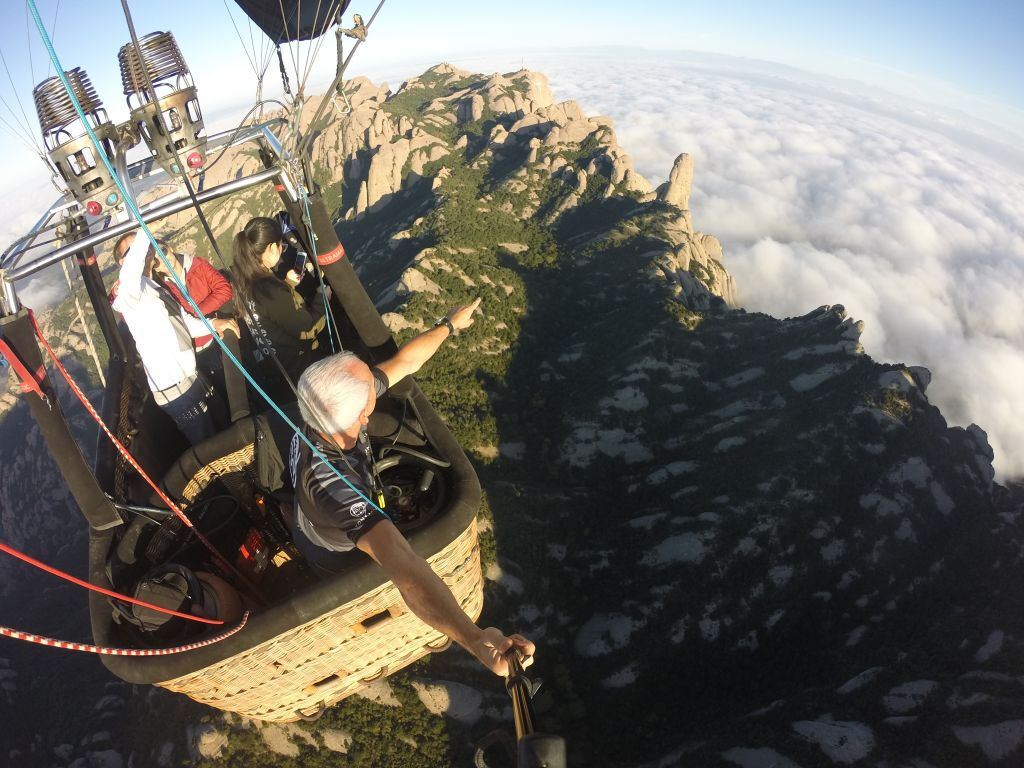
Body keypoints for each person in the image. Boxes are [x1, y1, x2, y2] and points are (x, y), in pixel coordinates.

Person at [289, 298, 533, 675]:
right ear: (362, 413)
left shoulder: (324, 412)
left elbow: (404, 363)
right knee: (392, 559)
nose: (377, 380)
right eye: (372, 387)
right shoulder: (332, 483)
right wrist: (473, 639)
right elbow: (404, 568)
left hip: (332, 508)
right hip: (333, 549)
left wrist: (448, 325)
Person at [111, 232, 237, 445]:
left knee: (222, 416)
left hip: (190, 374)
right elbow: (131, 271)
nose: (146, 249)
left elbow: (184, 321)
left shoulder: (153, 286)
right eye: (134, 251)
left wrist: (213, 324)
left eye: (148, 244)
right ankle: (228, 479)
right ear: (124, 262)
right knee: (209, 442)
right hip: (175, 388)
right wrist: (144, 228)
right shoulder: (129, 294)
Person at [231, 216, 326, 386]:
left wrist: (288, 284)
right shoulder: (269, 289)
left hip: (278, 367)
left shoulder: (244, 283)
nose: (282, 249)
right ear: (271, 247)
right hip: (302, 368)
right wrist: (322, 297)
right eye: (280, 245)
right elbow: (309, 328)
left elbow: (268, 311)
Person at [151, 244, 233, 386]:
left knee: (229, 381)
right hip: (191, 352)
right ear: (155, 268)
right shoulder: (161, 288)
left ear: (170, 248)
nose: (163, 259)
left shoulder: (197, 265)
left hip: (215, 338)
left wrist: (197, 311)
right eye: (156, 260)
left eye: (162, 251)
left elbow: (224, 289)